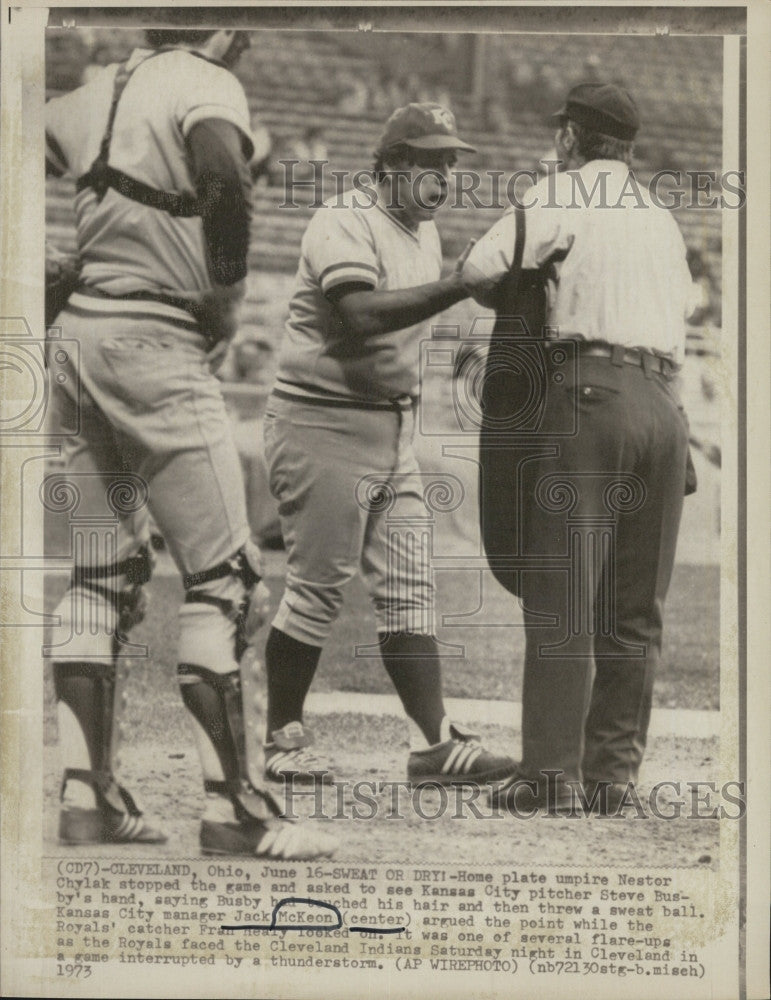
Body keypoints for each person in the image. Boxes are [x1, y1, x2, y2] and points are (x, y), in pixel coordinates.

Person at [45, 27, 335, 858]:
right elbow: (223, 175)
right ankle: (234, 811)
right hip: (155, 345)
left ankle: (87, 799)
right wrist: (227, 298)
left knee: (98, 577)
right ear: (220, 28)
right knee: (226, 578)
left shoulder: (94, 88)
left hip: (79, 342)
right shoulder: (203, 80)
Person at [261, 103, 518, 788]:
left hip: (391, 426)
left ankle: (432, 745)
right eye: (428, 163)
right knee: (316, 590)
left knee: (409, 591)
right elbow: (360, 316)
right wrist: (459, 285)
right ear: (392, 165)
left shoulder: (422, 234)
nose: (442, 177)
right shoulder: (342, 219)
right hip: (322, 421)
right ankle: (281, 738)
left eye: (448, 164)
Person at [461, 83, 695, 815]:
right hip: (663, 405)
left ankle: (550, 773)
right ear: (625, 144)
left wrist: (529, 284)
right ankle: (611, 778)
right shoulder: (661, 218)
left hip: (588, 393)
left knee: (564, 592)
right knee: (634, 607)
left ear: (569, 137)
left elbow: (476, 268)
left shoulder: (558, 193)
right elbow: (680, 328)